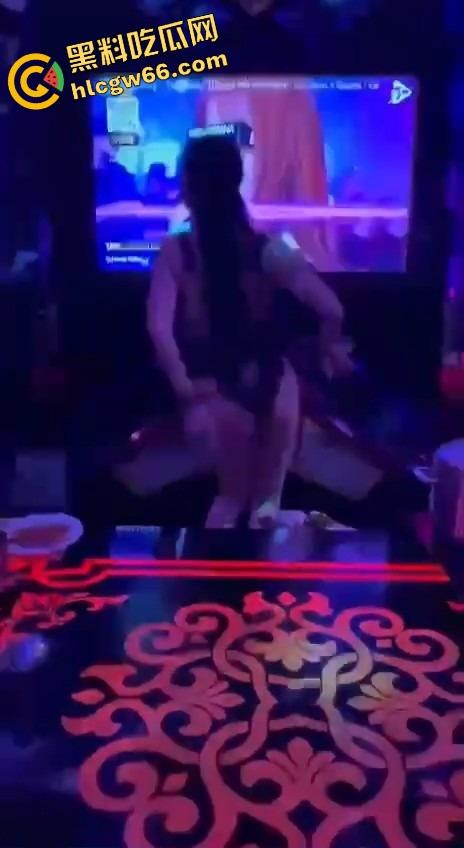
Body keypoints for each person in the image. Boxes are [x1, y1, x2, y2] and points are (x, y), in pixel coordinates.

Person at [147, 135, 351, 529]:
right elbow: (332, 311)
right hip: (274, 383)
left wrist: (183, 387)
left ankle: (210, 569)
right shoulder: (270, 248)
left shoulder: (176, 251)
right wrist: (328, 352)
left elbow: (159, 330)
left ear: (188, 185)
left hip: (214, 387)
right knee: (265, 508)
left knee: (229, 501)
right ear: (237, 180)